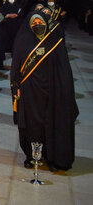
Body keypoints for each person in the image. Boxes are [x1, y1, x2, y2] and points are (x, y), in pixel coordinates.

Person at [11, 11, 78, 171]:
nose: (37, 25)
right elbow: (15, 70)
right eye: (33, 23)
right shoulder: (23, 42)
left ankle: (52, 156)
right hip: (30, 93)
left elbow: (64, 71)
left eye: (40, 22)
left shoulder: (54, 42)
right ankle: (32, 155)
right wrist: (15, 88)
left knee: (52, 123)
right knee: (31, 125)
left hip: (52, 92)